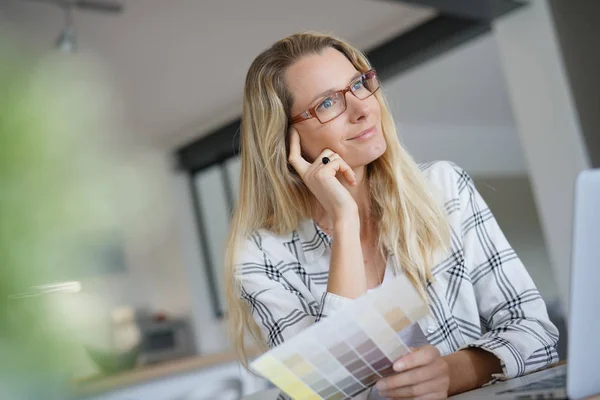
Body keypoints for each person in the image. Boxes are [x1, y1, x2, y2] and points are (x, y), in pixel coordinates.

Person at [224, 31, 559, 399]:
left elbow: (535, 333)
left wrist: (450, 373)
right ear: (287, 138)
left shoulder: (444, 188)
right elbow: (324, 394)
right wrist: (345, 221)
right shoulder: (262, 256)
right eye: (327, 104)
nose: (363, 109)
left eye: (358, 84)